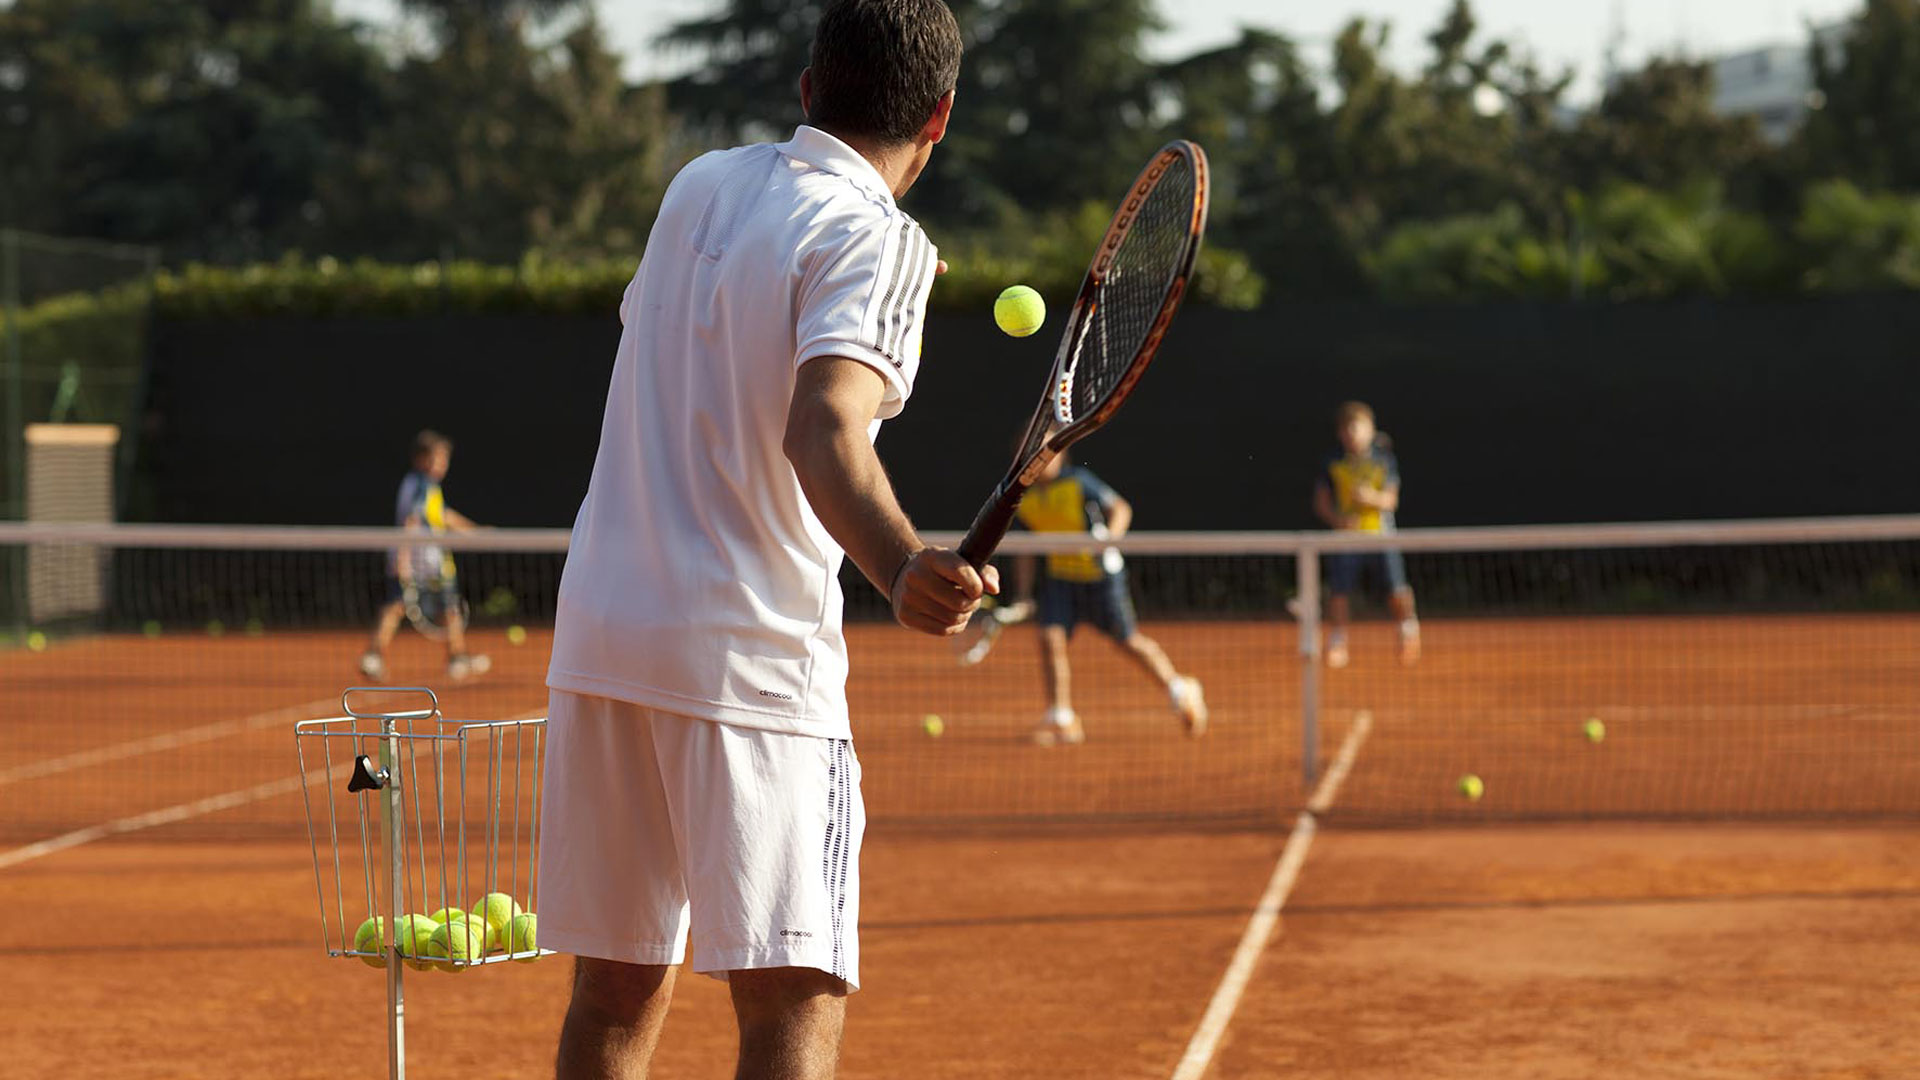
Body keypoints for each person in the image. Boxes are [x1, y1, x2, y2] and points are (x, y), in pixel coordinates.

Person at [538, 4, 985, 1078]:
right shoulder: (879, 237)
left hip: (602, 637)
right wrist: (900, 566)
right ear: (941, 115)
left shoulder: (697, 184)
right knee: (794, 994)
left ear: (807, 88)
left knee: (612, 984)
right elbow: (821, 426)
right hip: (750, 659)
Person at [1011, 452, 1207, 746]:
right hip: (1060, 581)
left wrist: (1106, 542)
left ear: (1059, 456)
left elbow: (1120, 508)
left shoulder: (1079, 482)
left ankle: (1180, 688)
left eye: (1046, 453)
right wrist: (1024, 595)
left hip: (1101, 578)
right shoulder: (1023, 497)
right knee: (1049, 639)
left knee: (1128, 641)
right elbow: (1024, 549)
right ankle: (1062, 719)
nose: (1039, 460)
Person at [358, 429, 489, 682]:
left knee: (445, 609)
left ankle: (456, 658)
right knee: (398, 606)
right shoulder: (419, 485)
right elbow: (411, 521)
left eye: (444, 459)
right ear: (420, 459)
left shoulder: (428, 487)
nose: (441, 465)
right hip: (419, 560)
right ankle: (374, 656)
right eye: (436, 459)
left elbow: (444, 515)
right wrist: (403, 560)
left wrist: (474, 531)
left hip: (429, 561)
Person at [1312, 401, 1420, 668]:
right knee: (1339, 591)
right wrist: (1339, 521)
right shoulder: (1332, 463)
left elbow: (1391, 501)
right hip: (1346, 539)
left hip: (1381, 536)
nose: (1352, 434)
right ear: (1340, 433)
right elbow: (1321, 503)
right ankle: (1338, 641)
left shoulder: (1384, 461)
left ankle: (1408, 631)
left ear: (1370, 431)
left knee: (1397, 590)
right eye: (1346, 429)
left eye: (1357, 428)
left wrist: (1370, 497)